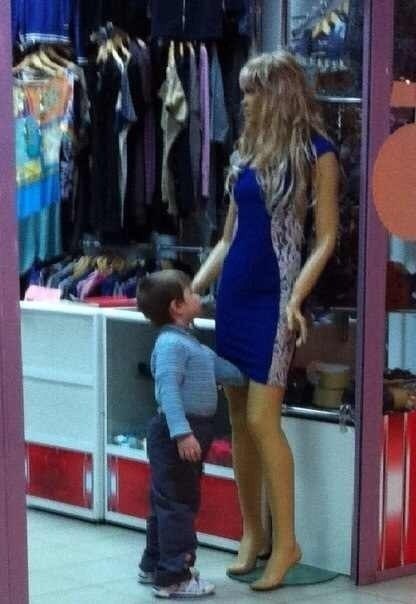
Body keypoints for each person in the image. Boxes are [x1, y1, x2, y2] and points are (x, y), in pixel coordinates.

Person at [192, 51, 339, 592]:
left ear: (278, 94)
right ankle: (253, 532)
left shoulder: (316, 153)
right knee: (238, 419)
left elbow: (326, 236)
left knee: (261, 419)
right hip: (234, 294)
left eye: (254, 92)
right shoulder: (246, 154)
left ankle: (288, 542)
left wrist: (297, 297)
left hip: (275, 299)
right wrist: (192, 288)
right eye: (244, 92)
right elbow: (228, 237)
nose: (246, 101)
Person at [137, 269, 246, 599]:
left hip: (185, 430)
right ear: (177, 307)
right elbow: (168, 391)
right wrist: (183, 434)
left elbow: (224, 370)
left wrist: (249, 372)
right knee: (179, 505)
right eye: (191, 292)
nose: (199, 296)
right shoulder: (172, 345)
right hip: (178, 433)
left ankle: (154, 564)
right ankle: (175, 576)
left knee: (166, 502)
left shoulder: (189, 343)